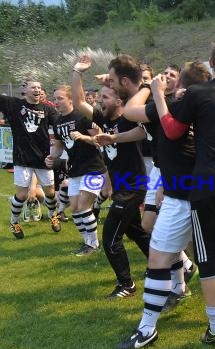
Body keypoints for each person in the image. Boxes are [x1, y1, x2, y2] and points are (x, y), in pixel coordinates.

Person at [149, 36, 215, 345]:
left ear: (211, 65)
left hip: (208, 184)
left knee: (207, 257)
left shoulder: (198, 92)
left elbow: (172, 130)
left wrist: (159, 96)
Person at [72, 54, 150, 298]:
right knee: (135, 231)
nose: (100, 101)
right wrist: (77, 73)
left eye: (105, 97)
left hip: (133, 186)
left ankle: (127, 284)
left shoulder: (130, 117)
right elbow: (79, 102)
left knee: (110, 238)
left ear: (119, 99)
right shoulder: (104, 118)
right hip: (120, 186)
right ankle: (173, 266)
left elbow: (141, 133)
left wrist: (114, 138)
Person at [0, 58, 62, 239]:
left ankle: (53, 215)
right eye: (33, 87)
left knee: (50, 192)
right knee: (21, 194)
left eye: (39, 87)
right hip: (22, 158)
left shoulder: (48, 109)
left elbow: (61, 124)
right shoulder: (13, 104)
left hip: (43, 158)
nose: (37, 90)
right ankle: (14, 222)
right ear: (24, 90)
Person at [46, 85, 107, 256]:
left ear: (71, 99)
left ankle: (94, 244)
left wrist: (84, 137)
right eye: (55, 98)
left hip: (93, 168)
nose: (56, 102)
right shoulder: (58, 122)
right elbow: (58, 147)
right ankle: (86, 242)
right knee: (74, 208)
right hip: (74, 170)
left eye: (60, 98)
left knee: (83, 205)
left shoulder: (83, 116)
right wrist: (51, 157)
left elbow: (100, 138)